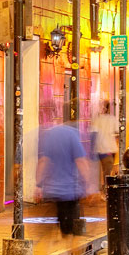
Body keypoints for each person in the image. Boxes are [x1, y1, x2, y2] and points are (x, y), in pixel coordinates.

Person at [36, 105, 91, 245]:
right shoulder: (72, 135)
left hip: (51, 192)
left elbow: (43, 161)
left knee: (50, 233)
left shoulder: (49, 135)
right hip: (69, 192)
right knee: (72, 235)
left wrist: (38, 185)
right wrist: (88, 184)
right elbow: (81, 162)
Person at [91, 100, 119, 187]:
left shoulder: (96, 120)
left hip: (100, 149)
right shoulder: (113, 119)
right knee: (107, 172)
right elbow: (118, 133)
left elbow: (93, 135)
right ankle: (106, 190)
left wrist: (92, 149)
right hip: (109, 149)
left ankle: (103, 188)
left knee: (103, 170)